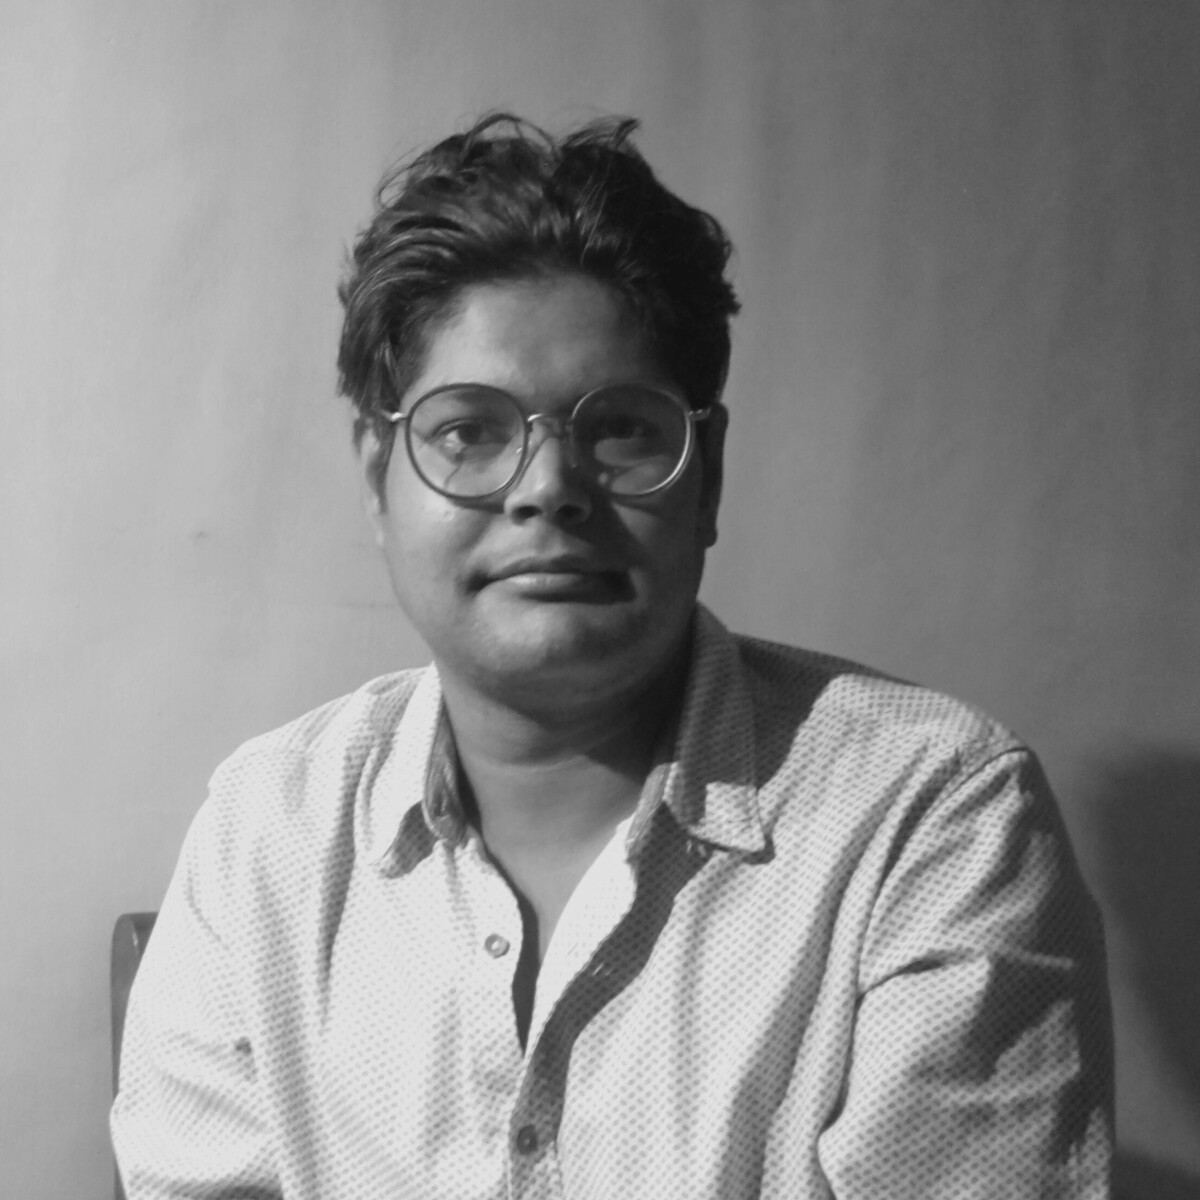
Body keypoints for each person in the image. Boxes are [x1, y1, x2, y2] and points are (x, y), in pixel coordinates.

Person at [111, 114, 1113, 1199]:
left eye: (621, 428)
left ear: (708, 473)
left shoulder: (932, 817)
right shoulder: (266, 836)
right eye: (469, 430)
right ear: (376, 478)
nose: (549, 489)